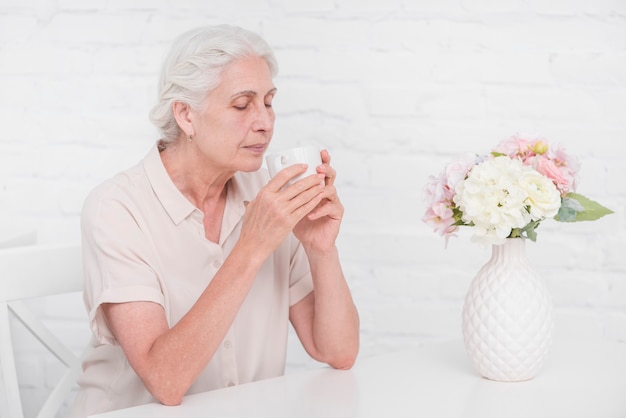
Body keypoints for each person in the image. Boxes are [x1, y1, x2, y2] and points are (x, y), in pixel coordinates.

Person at [69, 24, 359, 417]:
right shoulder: (117, 209)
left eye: (269, 102)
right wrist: (252, 246)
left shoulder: (268, 193)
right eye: (242, 105)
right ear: (186, 115)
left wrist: (321, 248)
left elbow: (337, 351)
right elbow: (165, 382)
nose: (265, 122)